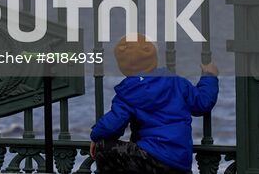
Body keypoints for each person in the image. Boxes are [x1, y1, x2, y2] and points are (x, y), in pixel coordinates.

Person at [90, 35, 219, 174]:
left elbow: (112, 124)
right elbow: (203, 103)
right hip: (179, 162)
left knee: (104, 147)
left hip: (148, 160)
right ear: (154, 58)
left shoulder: (128, 91)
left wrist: (95, 136)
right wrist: (209, 76)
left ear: (122, 66)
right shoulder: (176, 82)